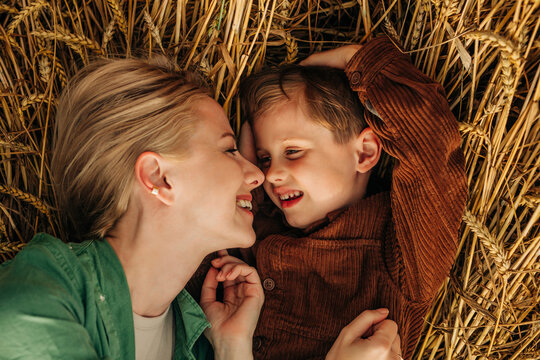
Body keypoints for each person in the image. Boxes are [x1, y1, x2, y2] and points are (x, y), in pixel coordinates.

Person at [0, 56, 402, 360]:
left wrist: (232, 349)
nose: (259, 176)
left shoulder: (202, 339)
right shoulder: (52, 292)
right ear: (158, 178)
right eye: (229, 150)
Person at [234, 36, 468, 359]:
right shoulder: (260, 227)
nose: (272, 174)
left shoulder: (399, 250)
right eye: (264, 158)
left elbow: (432, 149)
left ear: (365, 152)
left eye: (292, 151)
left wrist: (359, 62)